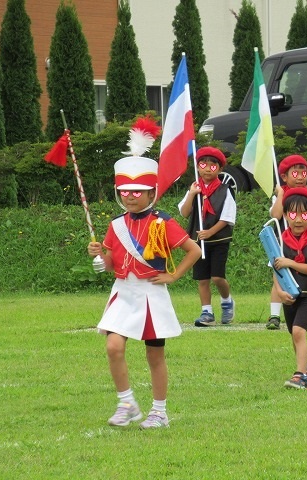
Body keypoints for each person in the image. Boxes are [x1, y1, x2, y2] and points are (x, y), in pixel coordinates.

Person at [88, 155, 201, 429]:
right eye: (124, 192)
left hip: (151, 295)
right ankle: (126, 403)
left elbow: (194, 251)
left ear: (151, 192)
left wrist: (173, 275)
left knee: (155, 355)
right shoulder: (115, 225)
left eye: (136, 192)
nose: (130, 197)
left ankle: (159, 411)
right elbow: (111, 265)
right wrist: (99, 255)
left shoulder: (162, 222)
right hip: (123, 293)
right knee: (113, 346)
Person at [272, 187, 307, 389]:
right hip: (288, 296)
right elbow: (275, 270)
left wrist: (291, 263)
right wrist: (279, 291)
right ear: (286, 215)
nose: (298, 219)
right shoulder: (279, 240)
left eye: (304, 214)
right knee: (294, 336)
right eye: (293, 214)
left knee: (298, 332)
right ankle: (306, 369)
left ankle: (300, 375)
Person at [266, 155, 307, 329]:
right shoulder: (280, 195)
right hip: (284, 243)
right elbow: (276, 215)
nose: (300, 177)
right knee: (279, 275)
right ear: (284, 177)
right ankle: (274, 316)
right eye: (295, 173)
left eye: (303, 173)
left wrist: (305, 237)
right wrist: (281, 195)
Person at [179, 147, 236, 327]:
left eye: (213, 166)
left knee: (217, 277)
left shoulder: (225, 190)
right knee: (202, 279)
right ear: (198, 167)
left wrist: (210, 232)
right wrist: (191, 194)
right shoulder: (195, 189)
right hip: (198, 242)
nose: (207, 169)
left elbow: (227, 218)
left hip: (218, 240)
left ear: (219, 169)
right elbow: (184, 212)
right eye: (203, 164)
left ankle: (227, 301)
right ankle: (207, 312)